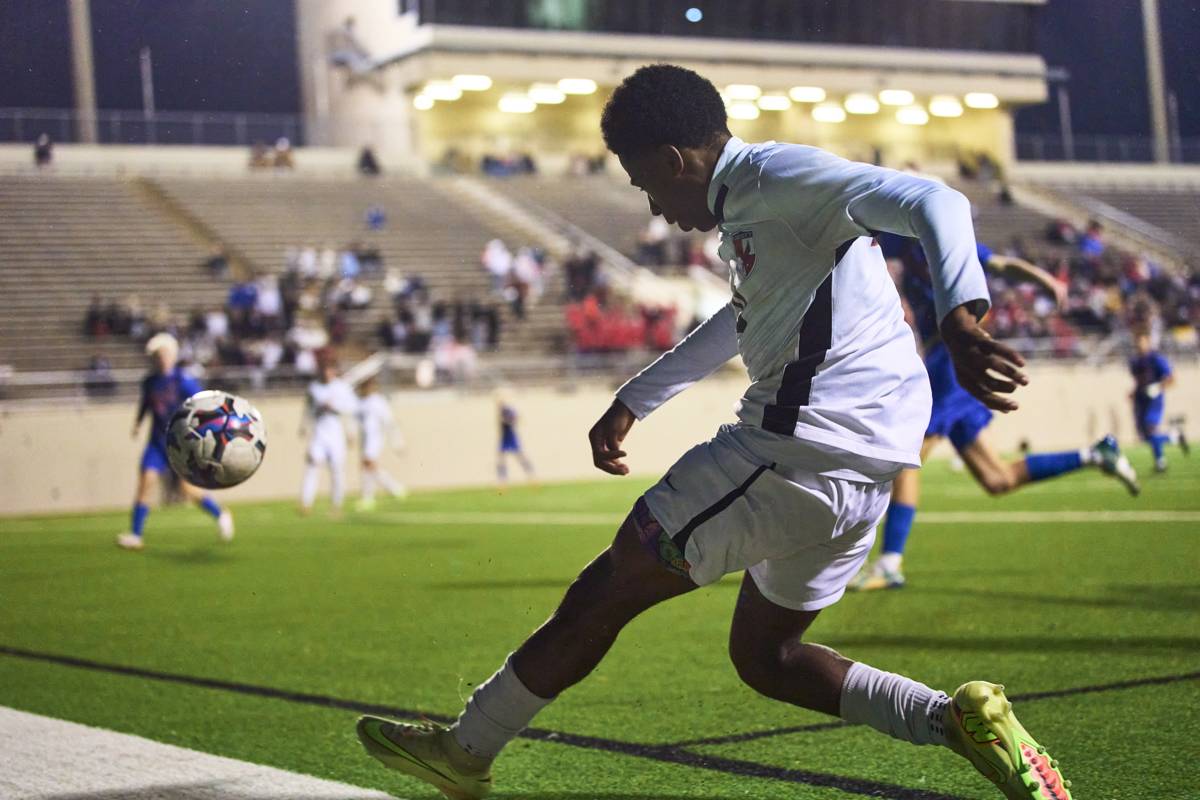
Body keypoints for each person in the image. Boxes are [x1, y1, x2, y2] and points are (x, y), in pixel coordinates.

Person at [355, 65, 1073, 800]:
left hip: (793, 455)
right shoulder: (754, 213)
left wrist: (961, 315)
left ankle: (466, 749)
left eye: (645, 184)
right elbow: (744, 319)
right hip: (860, 475)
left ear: (674, 162)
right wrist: (640, 396)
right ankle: (959, 723)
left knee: (607, 589)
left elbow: (935, 197)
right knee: (767, 658)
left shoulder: (778, 176)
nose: (653, 206)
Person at [849, 234, 1140, 592]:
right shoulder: (900, 234)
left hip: (951, 360)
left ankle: (889, 563)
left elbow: (1001, 264)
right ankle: (1095, 454)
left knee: (905, 460)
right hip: (948, 362)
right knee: (997, 478)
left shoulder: (945, 235)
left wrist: (1043, 279)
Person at [116, 334, 233, 551]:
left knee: (188, 490)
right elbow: (145, 405)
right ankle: (136, 534)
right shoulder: (150, 382)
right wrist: (138, 423)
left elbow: (203, 401)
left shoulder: (182, 380)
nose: (163, 358)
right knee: (146, 482)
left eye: (167, 354)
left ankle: (221, 514)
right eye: (160, 355)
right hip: (156, 443)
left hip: (180, 444)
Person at [299, 352, 358, 516]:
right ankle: (305, 503)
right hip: (319, 432)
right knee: (312, 465)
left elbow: (351, 410)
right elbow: (308, 410)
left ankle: (336, 505)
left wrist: (350, 432)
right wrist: (304, 426)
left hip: (336, 434)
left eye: (329, 369)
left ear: (334, 370)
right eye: (324, 369)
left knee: (337, 470)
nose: (327, 372)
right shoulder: (314, 388)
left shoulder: (342, 387)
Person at [1129, 330, 1189, 472]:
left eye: (1142, 341)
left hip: (1155, 400)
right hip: (1141, 399)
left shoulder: (1156, 359)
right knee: (1144, 435)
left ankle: (1160, 461)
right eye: (1137, 342)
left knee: (1151, 428)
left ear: (1148, 341)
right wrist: (1133, 392)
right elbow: (1138, 381)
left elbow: (1172, 379)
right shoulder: (1134, 361)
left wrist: (1158, 387)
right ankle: (1175, 437)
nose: (1139, 345)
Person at [355, 375, 406, 511]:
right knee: (366, 467)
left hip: (375, 438)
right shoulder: (360, 402)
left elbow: (389, 421)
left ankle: (395, 488)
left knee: (369, 464)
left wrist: (397, 442)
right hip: (365, 439)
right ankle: (368, 498)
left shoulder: (378, 402)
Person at [495, 394, 533, 483]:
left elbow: (517, 418)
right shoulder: (500, 412)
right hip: (504, 439)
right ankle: (502, 480)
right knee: (501, 460)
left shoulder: (508, 410)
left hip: (511, 437)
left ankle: (531, 476)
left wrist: (508, 420)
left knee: (520, 457)